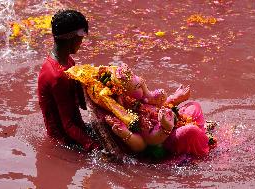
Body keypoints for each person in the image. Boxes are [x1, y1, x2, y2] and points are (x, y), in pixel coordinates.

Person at [65, 63, 214, 157]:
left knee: (193, 106)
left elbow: (157, 107)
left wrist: (175, 99)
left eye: (138, 79)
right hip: (163, 139)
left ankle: (200, 133)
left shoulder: (140, 100)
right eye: (137, 86)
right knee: (189, 132)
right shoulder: (129, 117)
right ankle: (204, 143)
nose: (141, 83)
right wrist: (165, 128)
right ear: (124, 97)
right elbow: (145, 143)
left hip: (168, 120)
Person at [38, 10, 99, 151]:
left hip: (77, 129)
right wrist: (96, 148)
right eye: (82, 37)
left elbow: (81, 103)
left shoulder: (67, 61)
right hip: (65, 140)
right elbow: (68, 125)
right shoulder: (57, 76)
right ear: (73, 38)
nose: (82, 42)